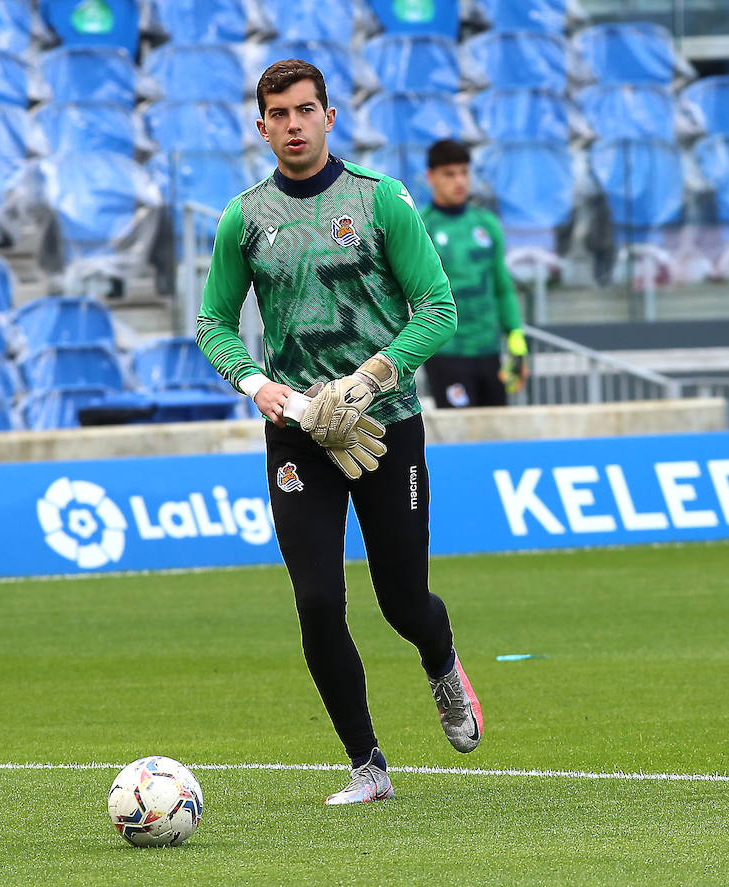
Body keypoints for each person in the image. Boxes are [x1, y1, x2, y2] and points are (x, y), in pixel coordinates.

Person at [195, 60, 484, 806]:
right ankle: (368, 765)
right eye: (277, 114)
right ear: (260, 127)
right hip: (300, 434)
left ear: (329, 116)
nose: (292, 125)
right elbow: (213, 324)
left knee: (403, 602)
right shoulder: (245, 217)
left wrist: (368, 380)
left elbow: (438, 309)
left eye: (304, 110)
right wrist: (266, 391)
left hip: (384, 426)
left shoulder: (380, 199)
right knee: (319, 600)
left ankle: (444, 665)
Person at [419, 139, 528, 408]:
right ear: (430, 177)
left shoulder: (486, 224)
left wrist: (515, 338)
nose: (459, 181)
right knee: (460, 436)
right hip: (446, 352)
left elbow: (502, 287)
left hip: (488, 351)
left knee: (496, 437)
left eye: (464, 173)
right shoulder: (421, 226)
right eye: (449, 174)